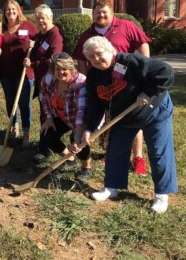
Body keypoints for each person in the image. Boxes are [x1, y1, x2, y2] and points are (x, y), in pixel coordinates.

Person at [71, 36, 177, 213]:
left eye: (99, 54)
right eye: (91, 57)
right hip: (123, 116)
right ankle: (111, 187)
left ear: (110, 50)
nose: (96, 59)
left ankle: (161, 194)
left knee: (159, 151)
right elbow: (95, 104)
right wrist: (89, 128)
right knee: (115, 150)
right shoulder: (93, 76)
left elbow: (166, 72)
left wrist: (148, 92)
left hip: (154, 110)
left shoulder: (130, 61)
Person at [72, 0, 151, 175]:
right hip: (102, 84)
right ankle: (113, 153)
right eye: (97, 12)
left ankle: (138, 158)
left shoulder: (126, 26)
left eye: (104, 12)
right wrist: (86, 81)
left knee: (133, 117)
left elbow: (142, 43)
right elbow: (81, 60)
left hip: (127, 82)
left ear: (112, 12)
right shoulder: (87, 34)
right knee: (111, 118)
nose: (101, 15)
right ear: (92, 14)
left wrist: (144, 66)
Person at [38, 53, 92, 181]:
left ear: (71, 69)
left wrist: (78, 136)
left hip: (82, 119)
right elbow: (44, 98)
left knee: (79, 142)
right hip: (63, 116)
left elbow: (81, 112)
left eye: (64, 69)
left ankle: (86, 168)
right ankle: (69, 158)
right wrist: (49, 118)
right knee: (46, 134)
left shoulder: (80, 83)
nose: (61, 72)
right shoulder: (49, 80)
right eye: (57, 68)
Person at [0, 0, 37, 147]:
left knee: (24, 103)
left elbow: (38, 42)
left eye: (13, 9)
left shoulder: (28, 26)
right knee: (10, 102)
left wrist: (32, 55)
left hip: (24, 73)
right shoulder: (1, 28)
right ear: (4, 12)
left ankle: (26, 132)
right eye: (7, 10)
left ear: (18, 11)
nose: (10, 12)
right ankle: (14, 127)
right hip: (5, 73)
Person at [28, 4, 63, 153]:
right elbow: (35, 51)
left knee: (49, 113)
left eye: (43, 18)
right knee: (44, 112)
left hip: (51, 82)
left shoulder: (55, 34)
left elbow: (53, 59)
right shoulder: (41, 35)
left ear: (50, 18)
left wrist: (34, 63)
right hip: (41, 80)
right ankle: (45, 144)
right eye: (38, 18)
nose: (40, 21)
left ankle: (46, 147)